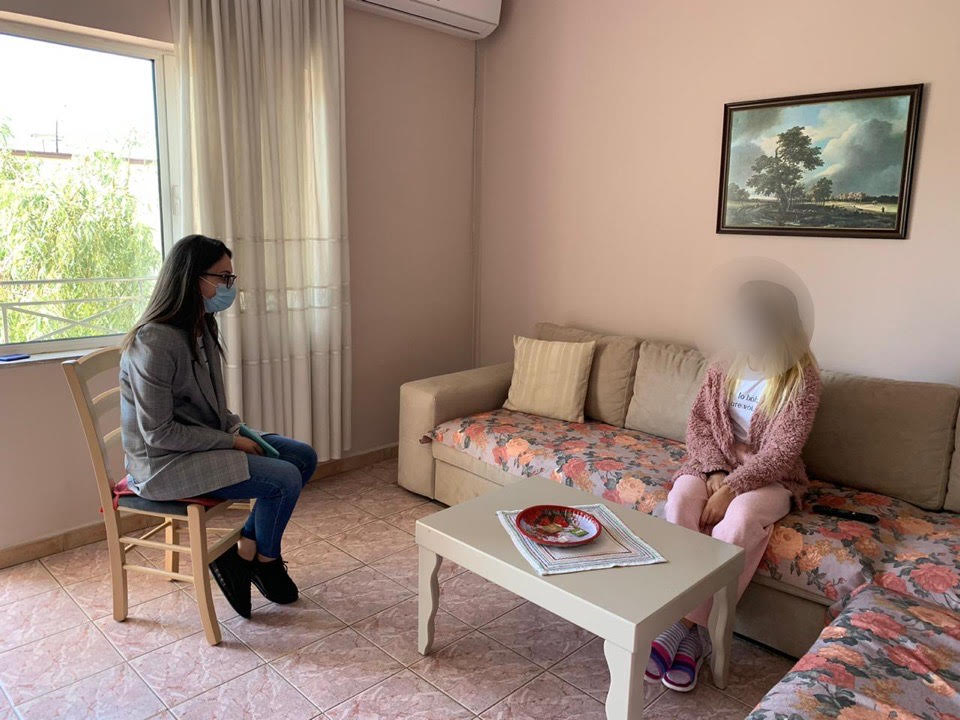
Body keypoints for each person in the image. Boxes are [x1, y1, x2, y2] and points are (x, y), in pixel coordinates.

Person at [119, 234, 317, 617]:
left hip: (198, 444)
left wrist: (238, 432)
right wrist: (230, 442)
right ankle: (266, 562)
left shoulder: (200, 326)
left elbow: (211, 405)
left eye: (231, 277)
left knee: (302, 457)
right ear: (194, 278)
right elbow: (158, 433)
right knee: (283, 479)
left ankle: (243, 548)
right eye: (223, 277)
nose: (230, 286)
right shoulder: (154, 343)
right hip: (164, 463)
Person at [646, 280, 821, 692]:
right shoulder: (725, 363)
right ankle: (687, 632)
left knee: (735, 524)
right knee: (680, 504)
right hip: (714, 466)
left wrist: (731, 489)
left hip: (771, 478)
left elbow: (781, 452)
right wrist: (713, 475)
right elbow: (699, 425)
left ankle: (686, 627)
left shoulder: (803, 379)